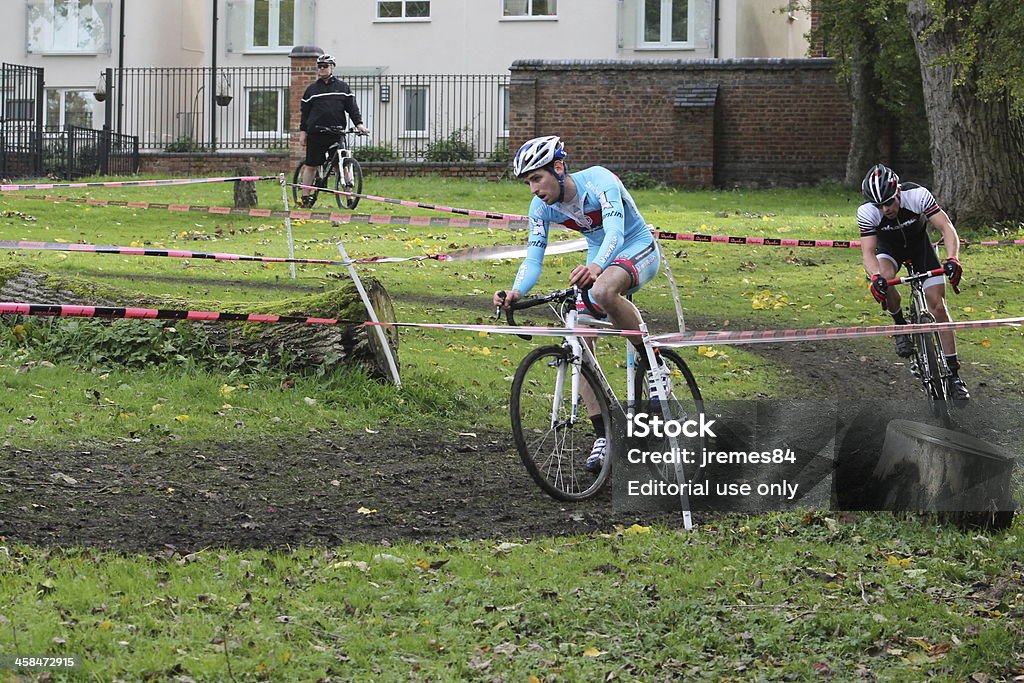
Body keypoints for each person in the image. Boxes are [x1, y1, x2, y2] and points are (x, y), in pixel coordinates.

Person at [493, 135, 662, 472]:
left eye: (536, 178)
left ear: (558, 168)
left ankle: (655, 367)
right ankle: (604, 435)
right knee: (579, 334)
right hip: (597, 258)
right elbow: (534, 259)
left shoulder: (599, 180)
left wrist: (597, 269)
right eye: (527, 182)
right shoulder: (541, 207)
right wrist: (515, 293)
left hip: (636, 246)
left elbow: (615, 230)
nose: (533, 189)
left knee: (602, 291)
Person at [858, 163, 969, 401]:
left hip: (921, 248)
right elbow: (868, 252)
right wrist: (875, 277)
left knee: (938, 307)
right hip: (889, 250)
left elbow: (946, 228)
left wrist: (953, 259)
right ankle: (900, 325)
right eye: (880, 205)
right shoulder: (867, 212)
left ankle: (954, 374)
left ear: (897, 191)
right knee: (885, 281)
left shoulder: (917, 195)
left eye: (889, 202)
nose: (886, 209)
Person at [297, 53, 370, 208]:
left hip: (336, 133)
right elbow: (305, 113)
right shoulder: (312, 90)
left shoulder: (343, 88)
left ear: (332, 68)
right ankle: (305, 197)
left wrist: (359, 125)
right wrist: (303, 133)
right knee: (311, 165)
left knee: (341, 166)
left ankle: (348, 197)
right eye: (320, 66)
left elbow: (352, 109)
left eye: (325, 66)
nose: (322, 69)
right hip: (316, 133)